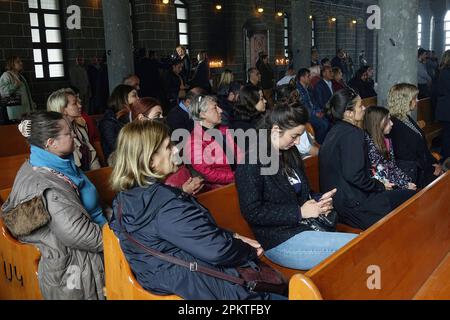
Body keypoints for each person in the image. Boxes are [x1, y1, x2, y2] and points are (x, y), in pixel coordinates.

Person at [108, 120, 276, 300]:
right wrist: (247, 251)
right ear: (151, 161)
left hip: (170, 284)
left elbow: (188, 237)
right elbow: (217, 250)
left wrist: (232, 237)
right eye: (168, 146)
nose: (175, 150)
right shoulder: (166, 206)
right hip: (206, 288)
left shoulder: (124, 201)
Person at [235, 103, 357, 270]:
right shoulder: (252, 162)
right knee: (355, 248)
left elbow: (302, 194)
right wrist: (299, 212)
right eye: (294, 136)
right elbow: (253, 212)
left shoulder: (289, 153)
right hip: (278, 240)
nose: (298, 141)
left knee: (360, 244)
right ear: (276, 131)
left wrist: (320, 202)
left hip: (303, 228)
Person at [1, 111, 105, 299]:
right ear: (50, 143)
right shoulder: (46, 186)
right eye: (68, 133)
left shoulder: (58, 162)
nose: (74, 135)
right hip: (75, 266)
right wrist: (122, 239)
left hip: (97, 235)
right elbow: (80, 235)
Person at [319, 89, 416, 230]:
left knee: (400, 194)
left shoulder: (334, 130)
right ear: (348, 113)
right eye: (360, 106)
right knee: (411, 198)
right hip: (354, 206)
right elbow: (354, 175)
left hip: (340, 201)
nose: (364, 108)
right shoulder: (353, 134)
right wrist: (379, 186)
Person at [388, 83, 444, 188]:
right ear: (404, 101)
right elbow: (408, 156)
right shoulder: (395, 125)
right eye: (414, 98)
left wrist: (434, 162)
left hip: (422, 167)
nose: (417, 101)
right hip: (414, 173)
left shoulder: (405, 118)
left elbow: (422, 147)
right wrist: (432, 169)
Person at [184, 95, 242, 190]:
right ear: (202, 114)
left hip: (238, 180)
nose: (221, 110)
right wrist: (235, 176)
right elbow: (208, 173)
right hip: (220, 190)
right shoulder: (194, 142)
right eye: (215, 107)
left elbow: (238, 152)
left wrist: (244, 170)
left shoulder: (223, 129)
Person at [47, 88, 101, 172]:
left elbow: (91, 155)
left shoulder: (80, 126)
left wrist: (97, 173)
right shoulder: (56, 136)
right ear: (63, 110)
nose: (80, 106)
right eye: (75, 103)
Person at [364, 106, 417, 190]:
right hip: (382, 186)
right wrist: (405, 185)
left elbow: (392, 166)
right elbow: (381, 174)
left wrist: (407, 181)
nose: (392, 123)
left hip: (392, 181)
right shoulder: (369, 144)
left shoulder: (386, 139)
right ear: (377, 123)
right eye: (387, 120)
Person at [99, 84, 138, 162]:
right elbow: (116, 147)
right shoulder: (108, 122)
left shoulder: (132, 116)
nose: (138, 99)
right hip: (118, 162)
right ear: (122, 99)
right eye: (134, 96)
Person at [0, 56, 35, 122]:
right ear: (11, 64)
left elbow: (27, 93)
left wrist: (32, 106)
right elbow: (3, 92)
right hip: (14, 113)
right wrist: (15, 85)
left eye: (20, 61)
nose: (21, 63)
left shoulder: (21, 76)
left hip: (26, 111)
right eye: (18, 62)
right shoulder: (6, 75)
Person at [435, 50, 450, 162]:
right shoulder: (445, 72)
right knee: (447, 134)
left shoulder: (444, 71)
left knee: (447, 134)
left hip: (445, 107)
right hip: (446, 108)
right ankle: (445, 158)